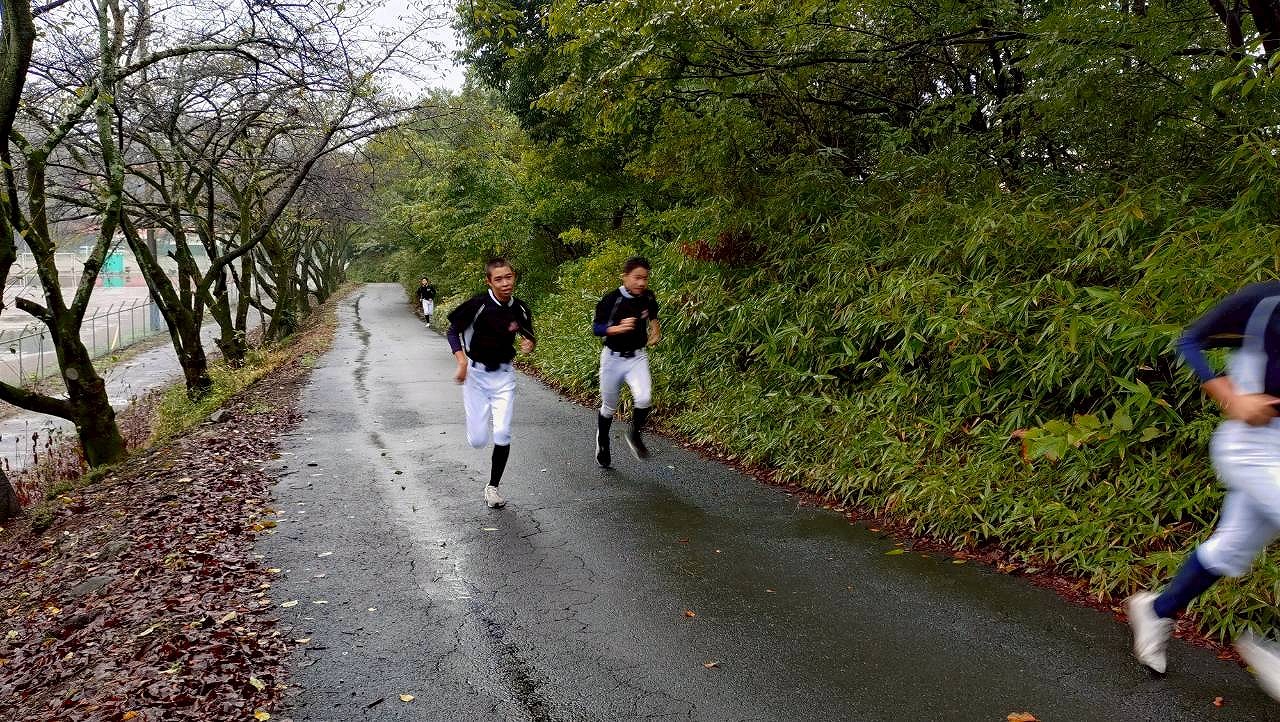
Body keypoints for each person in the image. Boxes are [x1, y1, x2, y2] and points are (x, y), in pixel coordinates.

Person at [1127, 281, 1280, 699]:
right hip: (1252, 446)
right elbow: (1191, 339)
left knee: (1228, 551)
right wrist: (1228, 394)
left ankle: (1156, 610)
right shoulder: (1265, 302)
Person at [446, 259, 535, 508]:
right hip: (476, 376)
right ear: (489, 281)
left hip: (504, 376)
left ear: (514, 276)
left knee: (503, 432)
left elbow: (528, 335)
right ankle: (477, 426)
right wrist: (462, 362)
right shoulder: (478, 305)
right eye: (498, 279)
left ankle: (493, 487)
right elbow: (452, 331)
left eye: (509, 277)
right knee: (477, 440)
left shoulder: (520, 308)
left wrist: (529, 344)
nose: (505, 283)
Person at [591, 256, 661, 467]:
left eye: (645, 278)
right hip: (612, 359)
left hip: (637, 357)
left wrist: (655, 330)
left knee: (644, 398)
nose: (641, 282)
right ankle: (603, 440)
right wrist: (617, 328)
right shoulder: (611, 300)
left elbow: (653, 314)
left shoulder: (647, 296)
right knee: (609, 407)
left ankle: (635, 435)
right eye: (637, 277)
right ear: (625, 277)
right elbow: (597, 328)